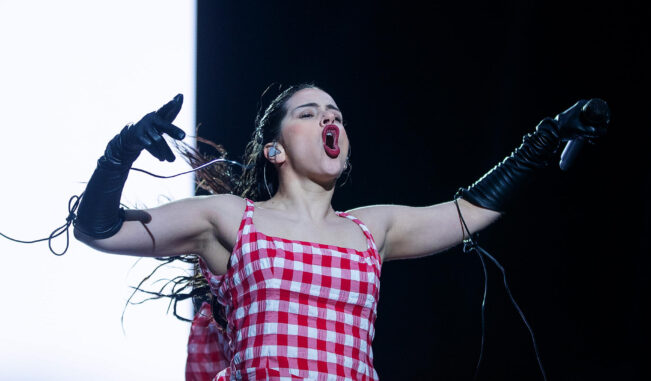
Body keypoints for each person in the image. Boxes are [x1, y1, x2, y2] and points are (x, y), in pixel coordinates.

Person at [74, 83, 607, 380]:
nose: (330, 119)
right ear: (275, 149)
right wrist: (120, 153)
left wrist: (546, 137)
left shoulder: (371, 228)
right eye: (308, 113)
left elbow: (466, 211)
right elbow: (98, 229)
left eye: (336, 113)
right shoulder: (232, 218)